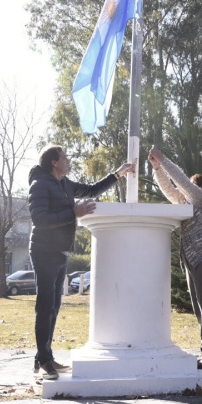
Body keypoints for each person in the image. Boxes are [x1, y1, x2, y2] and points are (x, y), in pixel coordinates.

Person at [27, 144, 134, 380]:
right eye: (64, 156)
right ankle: (44, 360)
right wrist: (73, 213)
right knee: (45, 307)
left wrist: (118, 174)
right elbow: (40, 219)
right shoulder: (40, 184)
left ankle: (43, 357)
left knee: (54, 307)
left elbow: (92, 189)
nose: (68, 159)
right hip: (44, 252)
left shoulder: (65, 184)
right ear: (54, 162)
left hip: (61, 252)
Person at [148, 146, 202, 370]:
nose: (184, 189)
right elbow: (169, 189)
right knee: (199, 306)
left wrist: (164, 160)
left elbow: (180, 182)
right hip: (193, 259)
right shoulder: (185, 203)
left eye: (191, 185)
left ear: (198, 188)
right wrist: (157, 168)